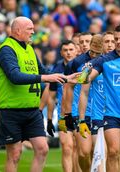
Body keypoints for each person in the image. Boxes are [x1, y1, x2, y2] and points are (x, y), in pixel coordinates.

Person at [0, 16, 79, 172]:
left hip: (32, 110)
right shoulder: (6, 49)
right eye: (30, 29)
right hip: (11, 110)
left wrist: (66, 78)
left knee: (42, 149)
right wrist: (47, 78)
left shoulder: (29, 49)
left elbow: (44, 71)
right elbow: (15, 76)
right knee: (14, 154)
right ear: (17, 30)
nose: (33, 32)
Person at [85, 24, 120, 172]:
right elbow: (89, 78)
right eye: (116, 39)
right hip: (111, 114)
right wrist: (84, 74)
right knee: (113, 152)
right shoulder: (104, 60)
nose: (118, 42)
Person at [62, 34, 103, 172]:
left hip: (99, 112)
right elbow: (68, 87)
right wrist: (66, 113)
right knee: (83, 152)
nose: (94, 55)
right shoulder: (77, 62)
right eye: (92, 52)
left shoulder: (106, 61)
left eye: (98, 53)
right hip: (79, 111)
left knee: (98, 152)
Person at [44, 40, 78, 171]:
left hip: (81, 115)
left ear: (76, 50)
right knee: (67, 147)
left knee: (80, 150)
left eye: (71, 49)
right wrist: (49, 119)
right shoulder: (56, 70)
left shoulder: (83, 67)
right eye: (65, 50)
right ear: (61, 53)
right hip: (63, 116)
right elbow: (51, 97)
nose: (68, 53)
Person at [78, 31, 115, 144]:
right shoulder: (91, 65)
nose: (110, 45)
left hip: (117, 115)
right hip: (98, 116)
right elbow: (83, 91)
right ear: (101, 45)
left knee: (115, 154)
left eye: (113, 41)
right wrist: (82, 120)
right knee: (97, 154)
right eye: (106, 41)